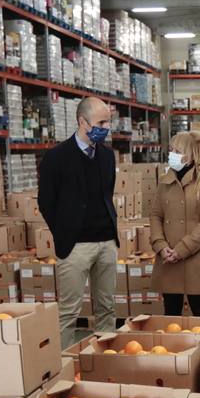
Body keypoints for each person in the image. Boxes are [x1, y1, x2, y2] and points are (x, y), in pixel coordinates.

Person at [38, 96, 119, 346]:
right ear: (82, 122)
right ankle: (62, 365)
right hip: (75, 245)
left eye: (108, 122)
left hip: (106, 242)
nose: (106, 127)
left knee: (107, 308)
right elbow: (46, 202)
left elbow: (107, 193)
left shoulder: (107, 156)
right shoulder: (56, 157)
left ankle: (105, 360)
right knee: (69, 311)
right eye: (101, 122)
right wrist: (64, 232)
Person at [150, 130, 200, 317]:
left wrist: (182, 250)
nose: (172, 154)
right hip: (167, 257)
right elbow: (156, 215)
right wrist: (160, 245)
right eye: (171, 149)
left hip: (194, 257)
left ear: (190, 154)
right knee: (171, 312)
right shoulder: (165, 181)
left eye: (177, 150)